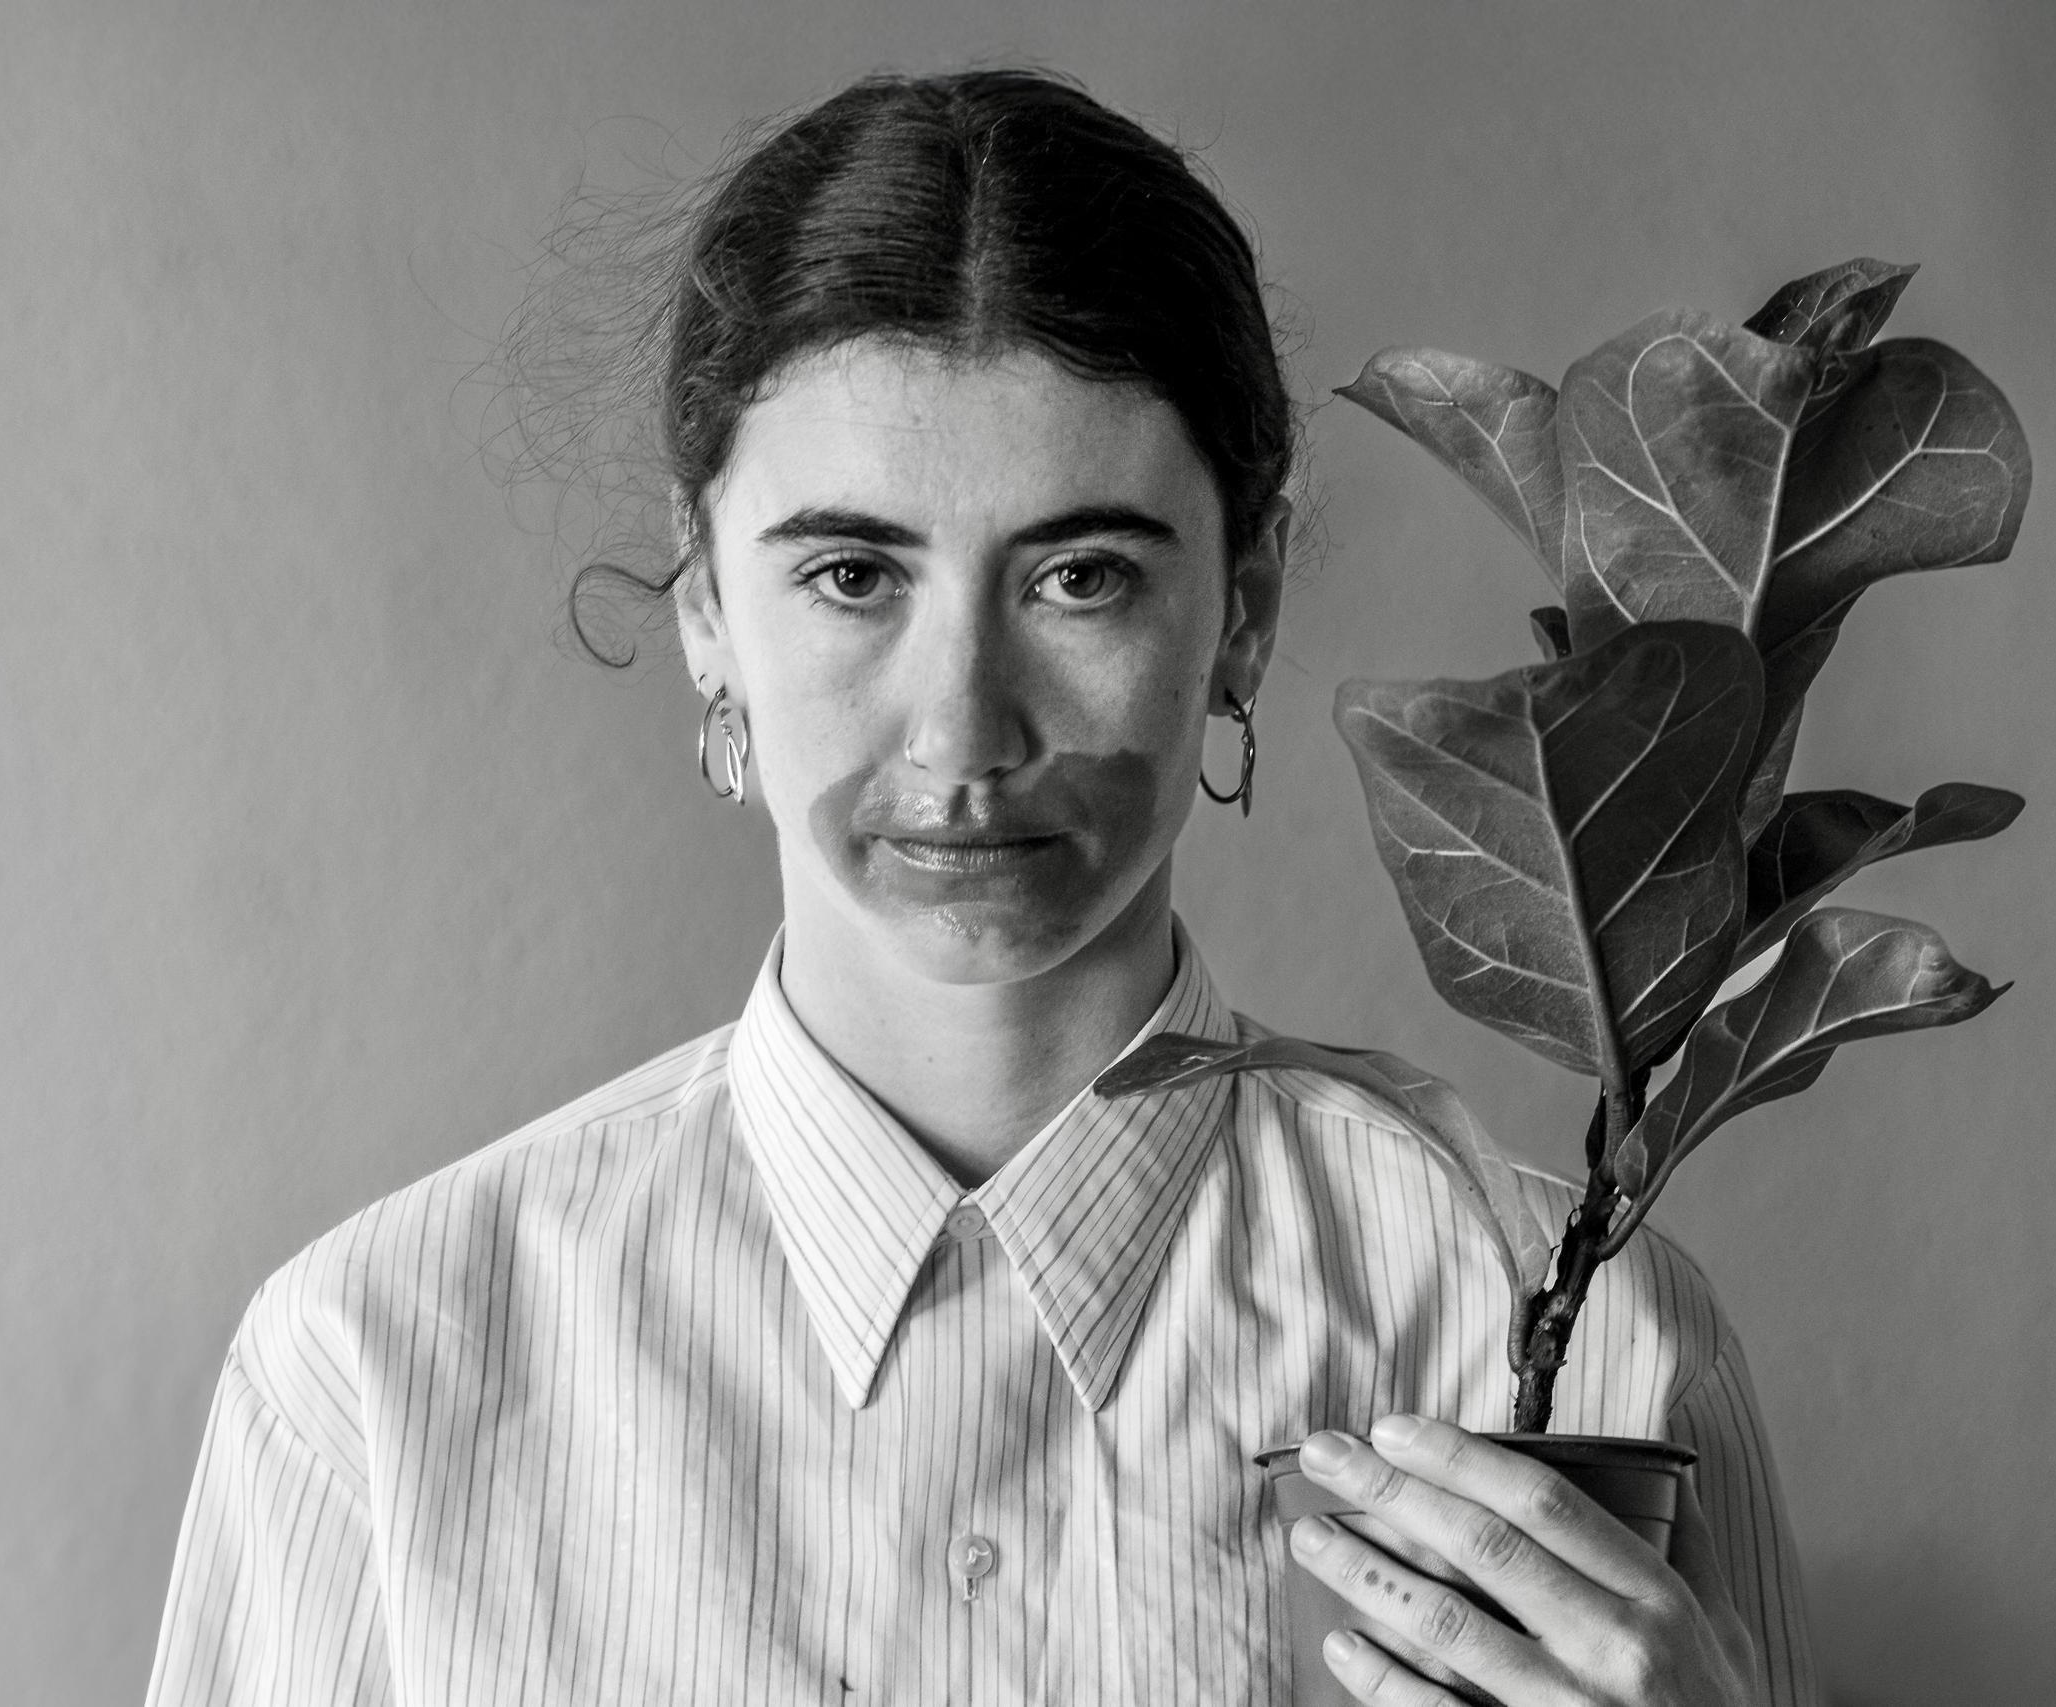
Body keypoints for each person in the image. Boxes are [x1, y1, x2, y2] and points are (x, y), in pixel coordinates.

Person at [145, 68, 1816, 1707]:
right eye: (851, 574)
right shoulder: (374, 1373)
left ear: (1244, 605)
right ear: (708, 608)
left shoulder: (1603, 1347)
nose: (964, 729)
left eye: (1081, 577)